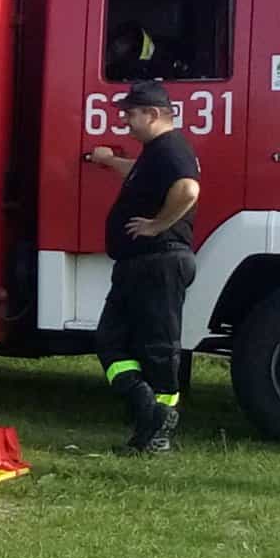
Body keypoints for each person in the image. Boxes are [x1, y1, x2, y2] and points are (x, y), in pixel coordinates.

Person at [88, 80, 200, 454]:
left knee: (158, 349)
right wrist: (109, 161)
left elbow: (188, 189)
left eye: (130, 114)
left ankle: (158, 430)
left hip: (158, 261)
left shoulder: (171, 149)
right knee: (110, 340)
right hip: (139, 264)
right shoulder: (155, 154)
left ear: (152, 114)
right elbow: (138, 173)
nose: (125, 121)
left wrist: (156, 225)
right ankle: (146, 409)